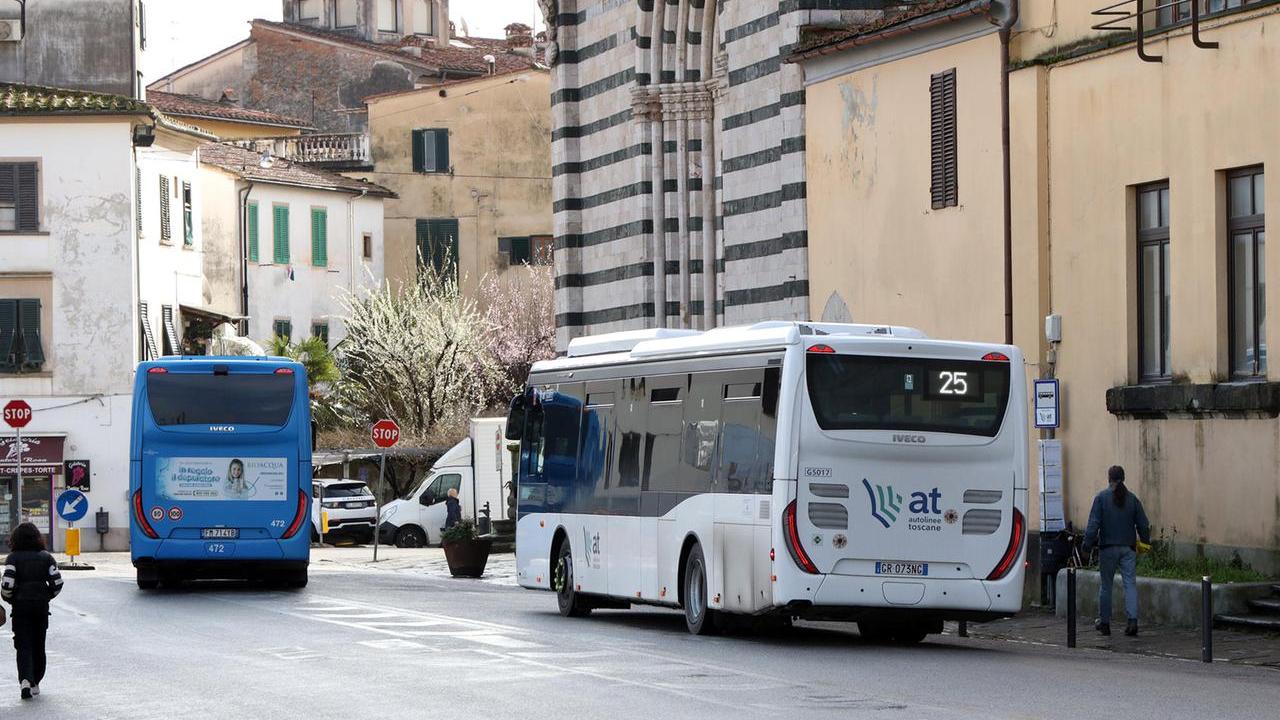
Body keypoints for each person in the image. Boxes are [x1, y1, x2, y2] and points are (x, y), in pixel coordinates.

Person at [1083, 465, 1151, 637]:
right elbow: (1143, 524)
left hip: (1107, 549)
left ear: (1109, 478)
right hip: (1128, 549)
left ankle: (1104, 623)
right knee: (1130, 584)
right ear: (1124, 478)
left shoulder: (1101, 498)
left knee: (1106, 586)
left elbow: (1093, 525)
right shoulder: (1133, 499)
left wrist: (1086, 545)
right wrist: (1145, 542)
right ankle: (1132, 621)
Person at [1, 523, 64, 699]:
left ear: (16, 539)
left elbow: (7, 585)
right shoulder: (47, 558)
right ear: (38, 538)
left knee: (23, 645)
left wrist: (10, 598)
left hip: (20, 608)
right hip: (40, 608)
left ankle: (25, 681)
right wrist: (47, 596)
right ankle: (36, 680)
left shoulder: (12, 559)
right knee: (39, 644)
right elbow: (57, 584)